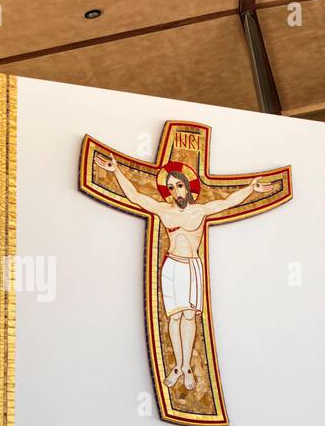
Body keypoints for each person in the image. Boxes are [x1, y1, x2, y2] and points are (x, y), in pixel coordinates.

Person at [93, 152, 275, 391]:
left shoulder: (200, 211)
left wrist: (251, 188)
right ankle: (177, 367)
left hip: (192, 267)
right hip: (172, 266)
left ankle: (187, 366)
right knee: (175, 316)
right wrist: (116, 171)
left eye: (179, 185)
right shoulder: (164, 210)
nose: (175, 190)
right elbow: (136, 197)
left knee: (189, 316)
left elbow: (228, 201)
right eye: (170, 187)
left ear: (187, 186)